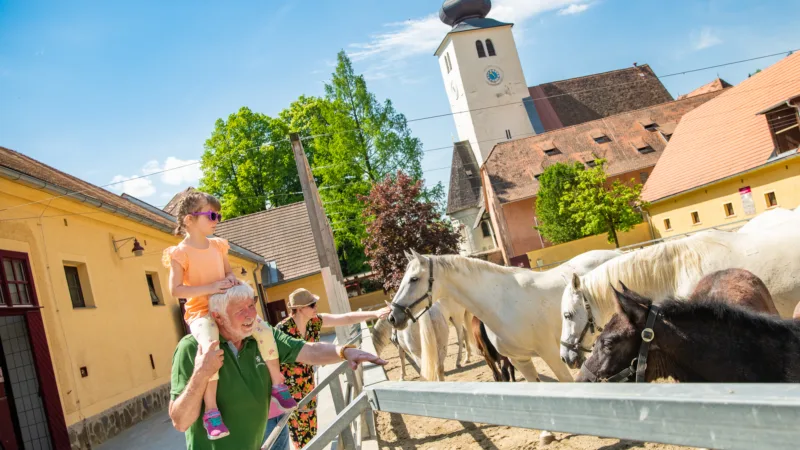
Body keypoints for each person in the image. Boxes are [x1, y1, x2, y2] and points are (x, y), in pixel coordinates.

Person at [169, 283, 386, 450]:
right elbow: (180, 422)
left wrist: (344, 352)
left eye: (251, 307)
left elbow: (309, 351)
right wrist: (202, 373)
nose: (251, 316)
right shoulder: (192, 348)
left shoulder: (261, 339)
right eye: (240, 311)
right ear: (218, 317)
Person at [163, 191, 296, 441]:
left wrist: (232, 280)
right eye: (212, 215)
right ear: (190, 220)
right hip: (201, 312)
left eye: (218, 215)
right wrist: (211, 288)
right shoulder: (179, 253)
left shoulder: (218, 246)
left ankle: (278, 383)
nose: (217, 219)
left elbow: (228, 274)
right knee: (210, 348)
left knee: (264, 331)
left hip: (226, 308)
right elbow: (176, 290)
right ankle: (211, 411)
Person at [275, 288, 390, 448]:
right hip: (288, 391)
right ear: (299, 309)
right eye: (312, 305)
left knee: (311, 431)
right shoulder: (282, 330)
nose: (316, 307)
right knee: (299, 436)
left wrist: (375, 313)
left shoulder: (314, 322)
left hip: (308, 384)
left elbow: (345, 318)